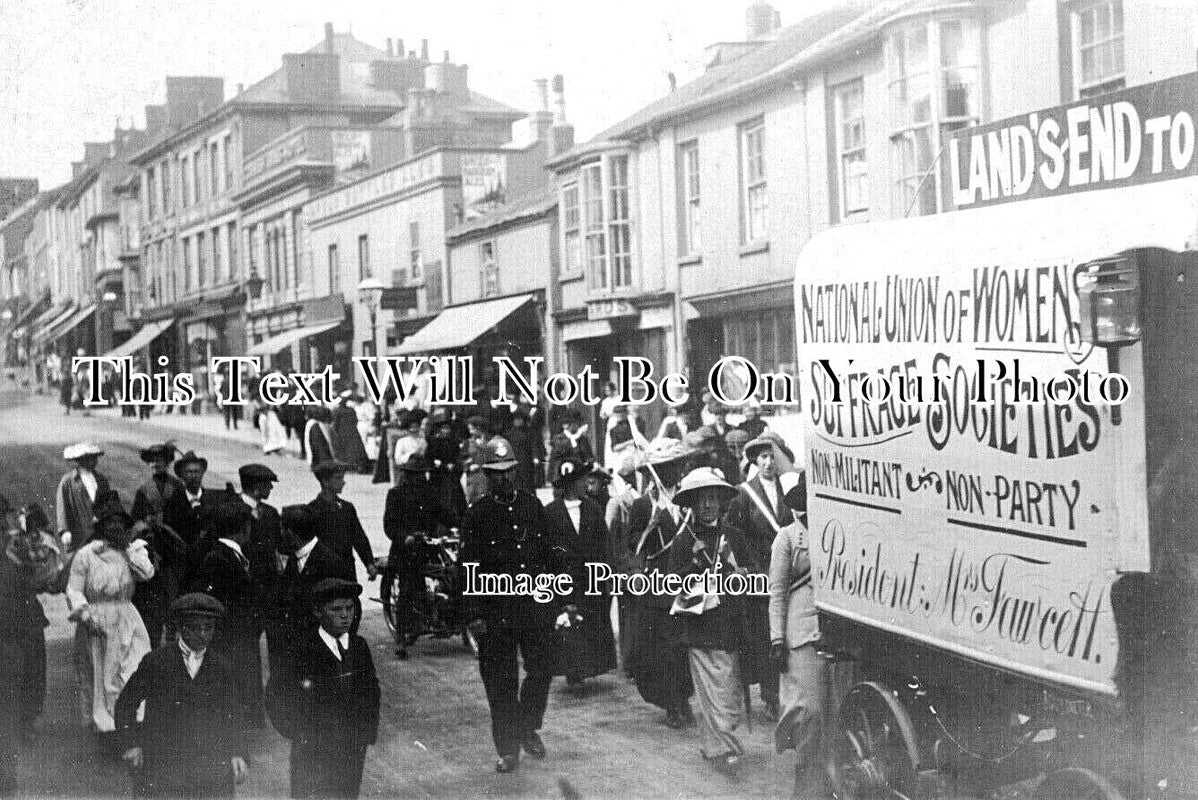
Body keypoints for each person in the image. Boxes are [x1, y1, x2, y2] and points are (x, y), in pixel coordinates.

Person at [460, 446, 575, 773]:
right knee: (500, 682)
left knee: (542, 669)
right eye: (496, 473)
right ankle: (508, 748)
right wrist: (473, 614)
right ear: (487, 476)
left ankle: (526, 725)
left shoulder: (530, 504)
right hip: (495, 612)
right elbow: (467, 566)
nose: (504, 478)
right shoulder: (478, 514)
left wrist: (562, 591)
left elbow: (551, 551)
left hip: (534, 608)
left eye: (509, 470)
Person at [668, 467, 759, 775]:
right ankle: (722, 748)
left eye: (713, 499)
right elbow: (672, 583)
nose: (707, 506)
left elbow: (751, 571)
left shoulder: (734, 537)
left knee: (728, 688)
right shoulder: (683, 541)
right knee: (710, 691)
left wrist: (741, 575)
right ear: (691, 505)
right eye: (701, 501)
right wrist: (693, 567)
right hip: (700, 627)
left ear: (722, 503)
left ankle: (720, 743)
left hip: (730, 623)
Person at [115, 593, 249, 799]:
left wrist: (238, 752)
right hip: (163, 765)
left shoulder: (222, 667)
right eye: (195, 628)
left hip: (210, 768)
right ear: (180, 627)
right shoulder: (156, 662)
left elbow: (234, 713)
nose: (203, 634)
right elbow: (125, 703)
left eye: (209, 628)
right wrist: (132, 743)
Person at [266, 578, 380, 799]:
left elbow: (371, 690)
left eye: (350, 608)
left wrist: (367, 732)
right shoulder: (301, 650)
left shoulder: (359, 646)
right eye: (336, 609)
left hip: (351, 748)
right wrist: (296, 732)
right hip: (312, 751)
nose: (345, 615)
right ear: (318, 612)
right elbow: (276, 693)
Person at [65, 494, 154, 737]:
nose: (115, 528)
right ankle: (108, 726)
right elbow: (73, 589)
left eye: (120, 524)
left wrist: (128, 548)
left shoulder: (132, 551)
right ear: (101, 527)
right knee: (104, 674)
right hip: (97, 619)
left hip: (126, 616)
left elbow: (146, 574)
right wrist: (85, 616)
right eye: (110, 523)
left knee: (133, 665)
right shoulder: (87, 555)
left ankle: (131, 720)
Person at [726, 432, 797, 721]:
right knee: (767, 637)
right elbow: (733, 533)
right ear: (755, 459)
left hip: (791, 572)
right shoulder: (744, 494)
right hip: (761, 576)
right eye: (763, 456)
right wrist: (748, 565)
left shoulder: (791, 490)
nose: (769, 462)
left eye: (773, 456)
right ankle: (770, 697)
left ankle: (790, 694)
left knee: (789, 634)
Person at [626, 438, 696, 728]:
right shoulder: (644, 505)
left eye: (674, 467)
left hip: (687, 580)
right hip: (658, 586)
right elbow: (633, 545)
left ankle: (685, 697)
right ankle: (672, 704)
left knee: (685, 646)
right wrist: (651, 526)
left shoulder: (689, 498)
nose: (671, 473)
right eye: (664, 468)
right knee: (664, 649)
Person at [769, 472, 828, 800]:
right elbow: (777, 593)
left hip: (831, 632)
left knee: (831, 712)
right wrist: (777, 640)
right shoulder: (787, 538)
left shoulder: (834, 531)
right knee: (808, 712)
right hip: (800, 633)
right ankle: (802, 790)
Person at [545, 458, 616, 690]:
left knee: (590, 621)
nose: (587, 482)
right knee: (568, 622)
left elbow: (604, 544)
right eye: (582, 478)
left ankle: (589, 666)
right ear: (571, 483)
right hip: (564, 578)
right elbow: (547, 548)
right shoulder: (551, 513)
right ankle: (572, 670)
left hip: (590, 577)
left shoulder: (592, 509)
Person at [0, 497, 55, 794]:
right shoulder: (14, 547)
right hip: (13, 634)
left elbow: (38, 578)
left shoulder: (17, 545)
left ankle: (6, 772)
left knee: (13, 701)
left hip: (15, 633)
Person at [193, 500, 264, 726]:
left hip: (236, 637)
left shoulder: (226, 554)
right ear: (244, 528)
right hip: (231, 638)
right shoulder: (219, 558)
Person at [382, 456, 459, 659]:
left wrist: (463, 524)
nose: (419, 478)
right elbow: (389, 525)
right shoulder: (395, 494)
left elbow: (446, 515)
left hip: (427, 548)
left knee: (451, 574)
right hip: (405, 551)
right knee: (407, 590)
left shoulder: (429, 494)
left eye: (421, 474)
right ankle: (400, 638)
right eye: (414, 474)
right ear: (407, 475)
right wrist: (404, 537)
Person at [271, 506, 349, 674]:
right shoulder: (294, 557)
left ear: (290, 533)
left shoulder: (330, 563)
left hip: (321, 654)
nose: (280, 535)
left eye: (282, 530)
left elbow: (347, 611)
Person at [234, 464, 284, 692]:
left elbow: (279, 547)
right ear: (255, 487)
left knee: (277, 644)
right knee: (247, 649)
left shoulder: (271, 513)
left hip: (270, 590)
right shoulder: (233, 511)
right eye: (267, 484)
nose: (271, 488)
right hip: (245, 591)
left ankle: (277, 695)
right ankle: (251, 700)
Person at [306, 461, 377, 584]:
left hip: (346, 570)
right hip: (323, 573)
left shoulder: (347, 508)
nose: (343, 482)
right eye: (338, 478)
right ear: (325, 482)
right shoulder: (311, 510)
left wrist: (369, 564)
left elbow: (359, 538)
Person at [55, 442, 111, 552]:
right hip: (78, 533)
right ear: (80, 460)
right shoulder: (68, 481)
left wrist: (101, 516)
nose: (94, 461)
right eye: (89, 459)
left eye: (95, 458)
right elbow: (62, 507)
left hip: (99, 533)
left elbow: (108, 503)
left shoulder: (101, 480)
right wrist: (64, 530)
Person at [546, 410, 594, 490]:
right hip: (562, 476)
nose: (578, 426)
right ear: (567, 425)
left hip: (579, 477)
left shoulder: (583, 439)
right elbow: (561, 452)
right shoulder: (559, 438)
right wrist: (575, 437)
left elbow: (589, 456)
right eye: (575, 423)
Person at [331, 388, 370, 473]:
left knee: (343, 450)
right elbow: (355, 420)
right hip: (352, 431)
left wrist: (334, 432)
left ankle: (345, 466)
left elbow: (335, 423)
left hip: (342, 432)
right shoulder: (351, 410)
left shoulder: (337, 411)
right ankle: (357, 466)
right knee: (355, 449)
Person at [256, 377, 289, 455]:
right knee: (267, 432)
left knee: (272, 432)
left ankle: (271, 448)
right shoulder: (267, 394)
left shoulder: (274, 393)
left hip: (271, 414)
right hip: (267, 415)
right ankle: (267, 448)